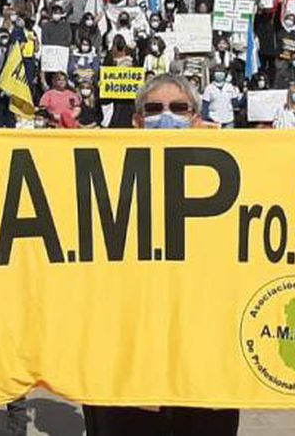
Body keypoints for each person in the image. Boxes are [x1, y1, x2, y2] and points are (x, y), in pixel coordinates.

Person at [82, 73, 235, 436]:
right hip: (125, 370)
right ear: (137, 121)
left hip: (206, 369)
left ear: (196, 118)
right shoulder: (103, 178)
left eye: (178, 108)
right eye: (154, 109)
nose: (165, 116)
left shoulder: (233, 178)